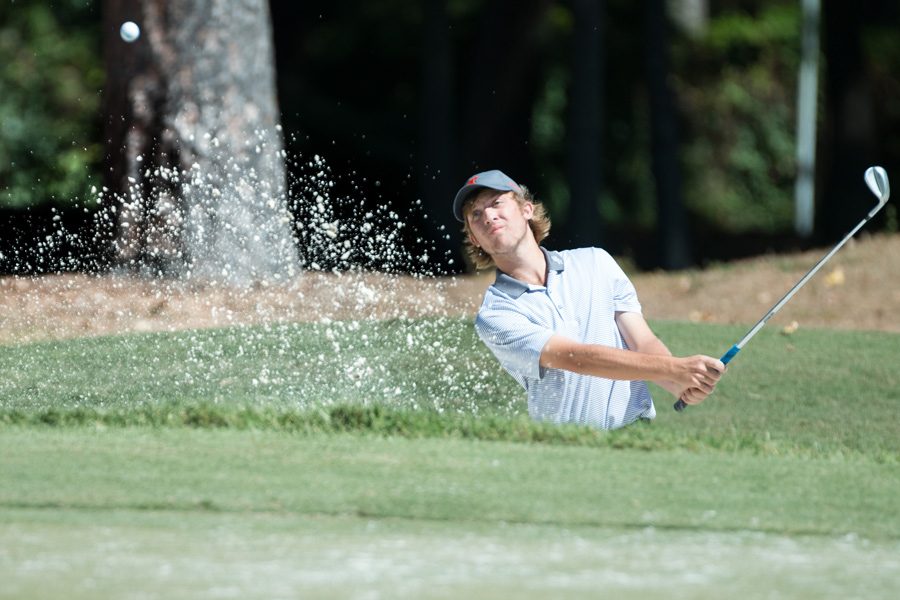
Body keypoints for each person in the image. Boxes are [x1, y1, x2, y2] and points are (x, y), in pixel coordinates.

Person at [453, 169, 724, 430]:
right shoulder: (495, 313)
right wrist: (675, 368)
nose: (488, 215)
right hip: (565, 451)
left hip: (634, 433)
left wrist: (679, 383)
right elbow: (574, 357)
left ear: (527, 210)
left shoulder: (596, 262)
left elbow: (642, 341)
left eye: (497, 203)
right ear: (474, 238)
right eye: (475, 214)